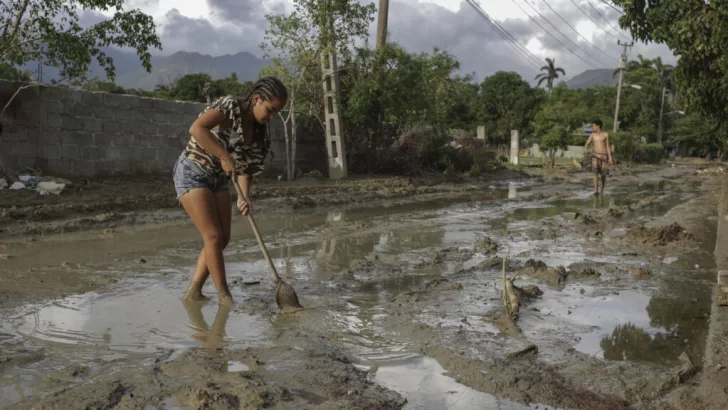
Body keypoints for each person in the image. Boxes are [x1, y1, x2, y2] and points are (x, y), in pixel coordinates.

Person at [172, 76, 288, 306]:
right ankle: (225, 297)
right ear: (256, 99)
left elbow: (246, 170)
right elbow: (197, 128)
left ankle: (194, 291)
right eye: (270, 110)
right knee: (213, 236)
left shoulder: (259, 134)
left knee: (223, 239)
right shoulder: (230, 107)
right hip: (193, 170)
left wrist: (244, 197)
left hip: (218, 179)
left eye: (276, 113)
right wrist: (224, 156)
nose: (272, 117)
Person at [584, 119, 613, 196]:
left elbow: (608, 147)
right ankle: (596, 190)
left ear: (598, 126)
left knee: (603, 174)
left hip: (604, 156)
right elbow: (587, 143)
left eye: (593, 125)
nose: (592, 127)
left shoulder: (605, 135)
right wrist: (586, 148)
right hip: (595, 156)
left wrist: (610, 157)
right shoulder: (592, 135)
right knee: (595, 173)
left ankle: (602, 190)